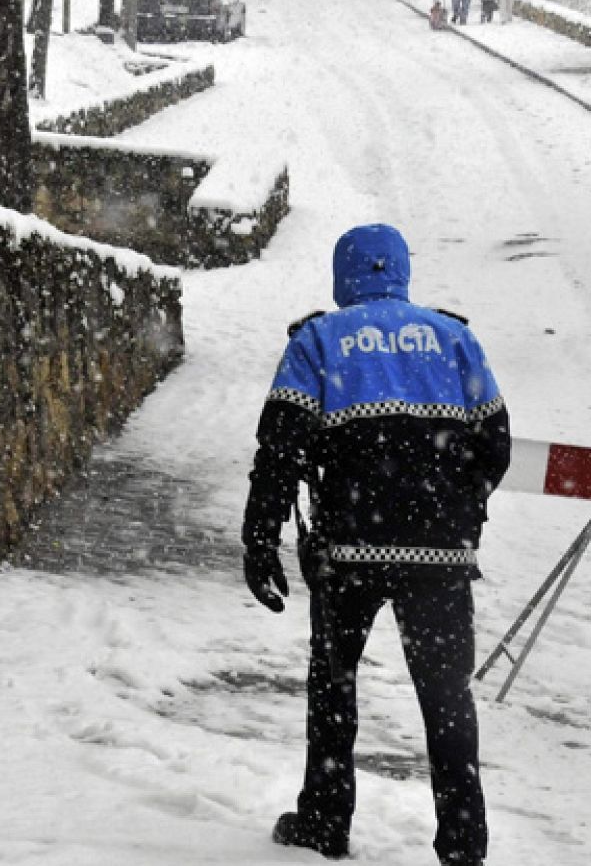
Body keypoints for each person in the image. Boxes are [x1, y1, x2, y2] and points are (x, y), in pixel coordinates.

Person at [242, 223, 510, 866]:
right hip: (441, 555)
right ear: (403, 273)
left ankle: (326, 821)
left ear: (344, 276)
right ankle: (464, 840)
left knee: (334, 687)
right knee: (447, 698)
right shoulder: (455, 338)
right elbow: (495, 443)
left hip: (349, 549)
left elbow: (281, 449)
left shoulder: (318, 340)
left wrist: (261, 537)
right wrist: (459, 510)